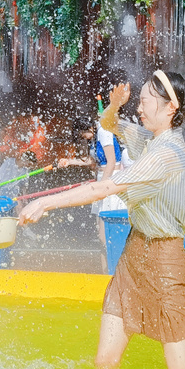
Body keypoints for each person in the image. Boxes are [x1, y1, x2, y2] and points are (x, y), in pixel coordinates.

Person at [19, 71, 185, 369]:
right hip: (134, 254)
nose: (139, 108)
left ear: (170, 107)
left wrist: (45, 203)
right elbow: (108, 124)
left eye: (144, 102)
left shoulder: (166, 153)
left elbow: (103, 188)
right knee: (104, 363)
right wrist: (115, 105)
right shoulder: (149, 139)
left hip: (165, 261)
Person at [59, 116, 125, 273]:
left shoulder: (104, 132)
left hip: (111, 181)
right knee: (101, 235)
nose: (83, 138)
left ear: (89, 128)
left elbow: (111, 162)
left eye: (83, 134)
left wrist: (102, 186)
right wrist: (70, 162)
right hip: (102, 180)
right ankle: (105, 273)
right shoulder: (95, 137)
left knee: (106, 235)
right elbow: (93, 162)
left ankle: (114, 271)